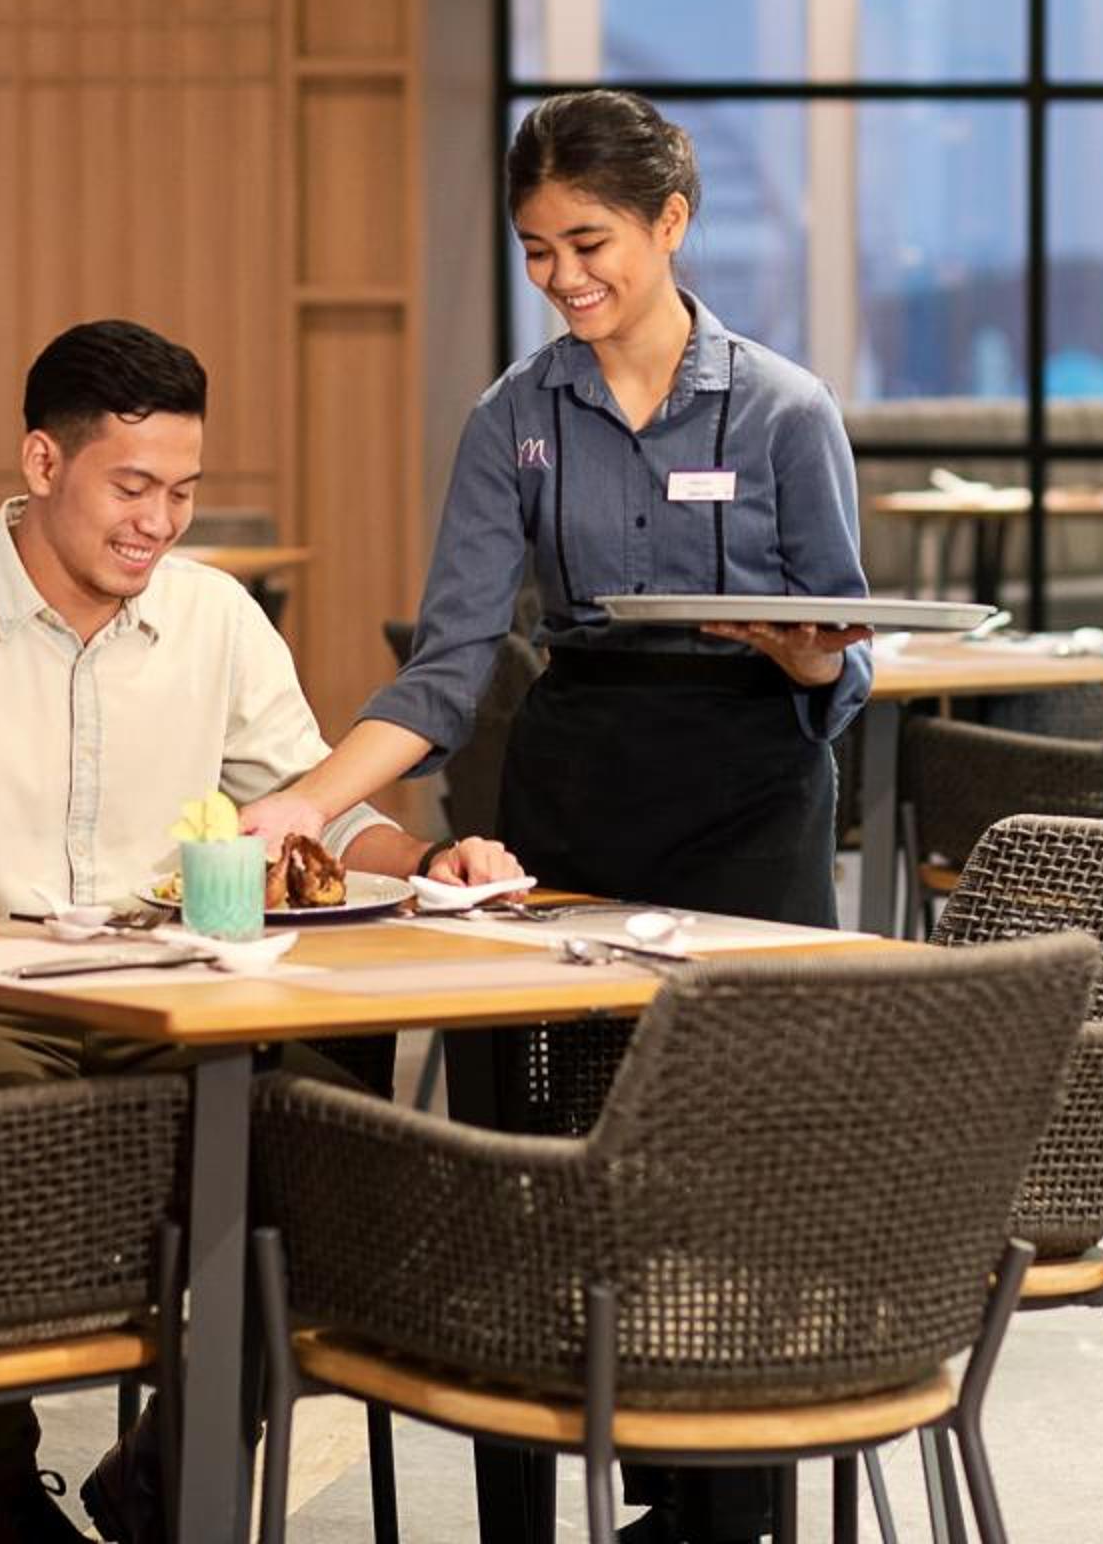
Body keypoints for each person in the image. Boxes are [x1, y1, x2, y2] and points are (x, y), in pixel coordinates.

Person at [0, 317, 515, 1544]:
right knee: (8, 1139)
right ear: (43, 461)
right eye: (133, 486)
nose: (159, 521)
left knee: (350, 1165)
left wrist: (431, 863)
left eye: (183, 492)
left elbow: (316, 809)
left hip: (182, 1006)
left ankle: (164, 1474)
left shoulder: (217, 619)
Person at [239, 88, 875, 1544]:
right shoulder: (513, 419)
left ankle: (715, 1515)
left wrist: (807, 658)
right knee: (534, 1165)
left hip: (752, 797)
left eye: (590, 243)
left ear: (672, 221)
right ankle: (526, 1503)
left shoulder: (785, 409)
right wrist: (308, 803)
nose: (563, 277)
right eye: (537, 251)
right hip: (571, 793)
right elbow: (450, 665)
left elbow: (844, 653)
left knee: (726, 1165)